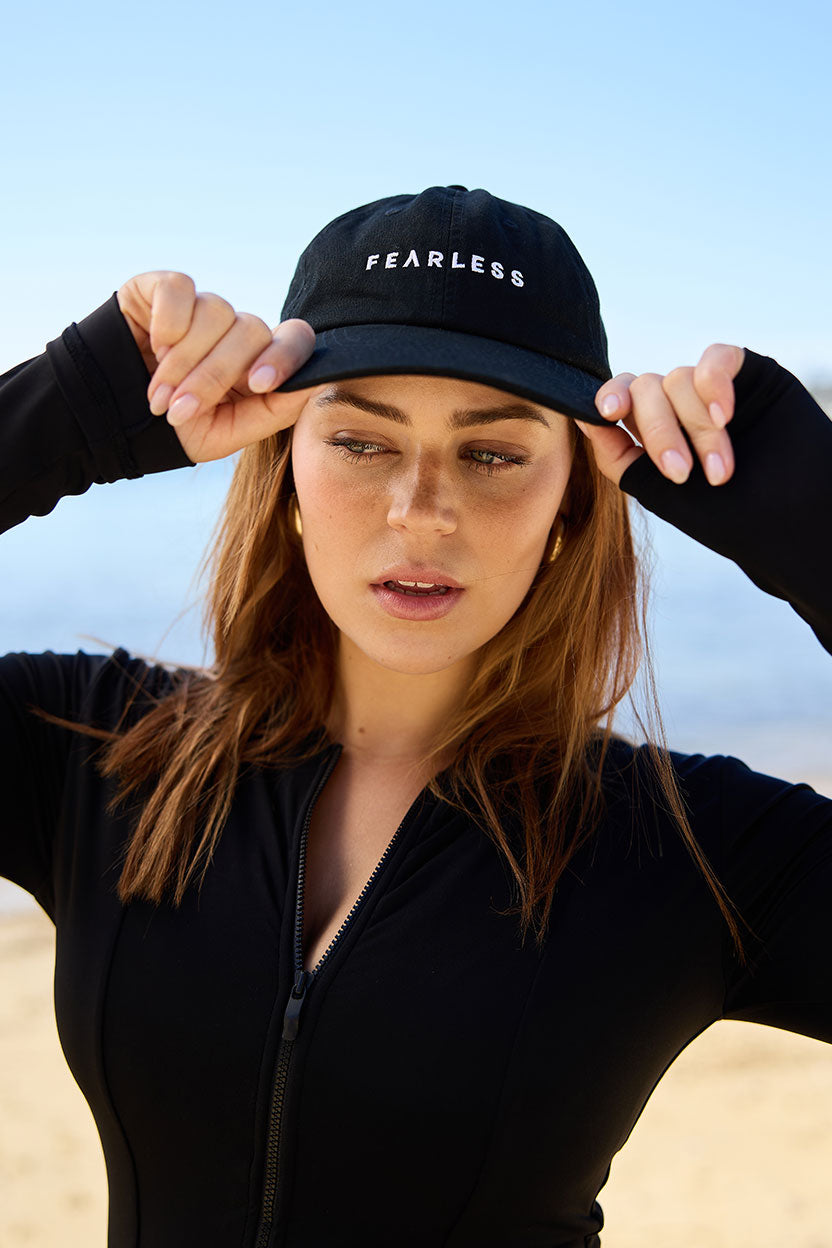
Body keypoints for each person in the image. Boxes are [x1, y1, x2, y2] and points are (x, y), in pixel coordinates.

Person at [1, 185, 829, 1248]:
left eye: (491, 454)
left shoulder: (687, 846)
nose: (421, 510)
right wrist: (61, 416)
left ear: (572, 500)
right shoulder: (98, 750)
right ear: (287, 469)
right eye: (360, 442)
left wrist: (817, 532)